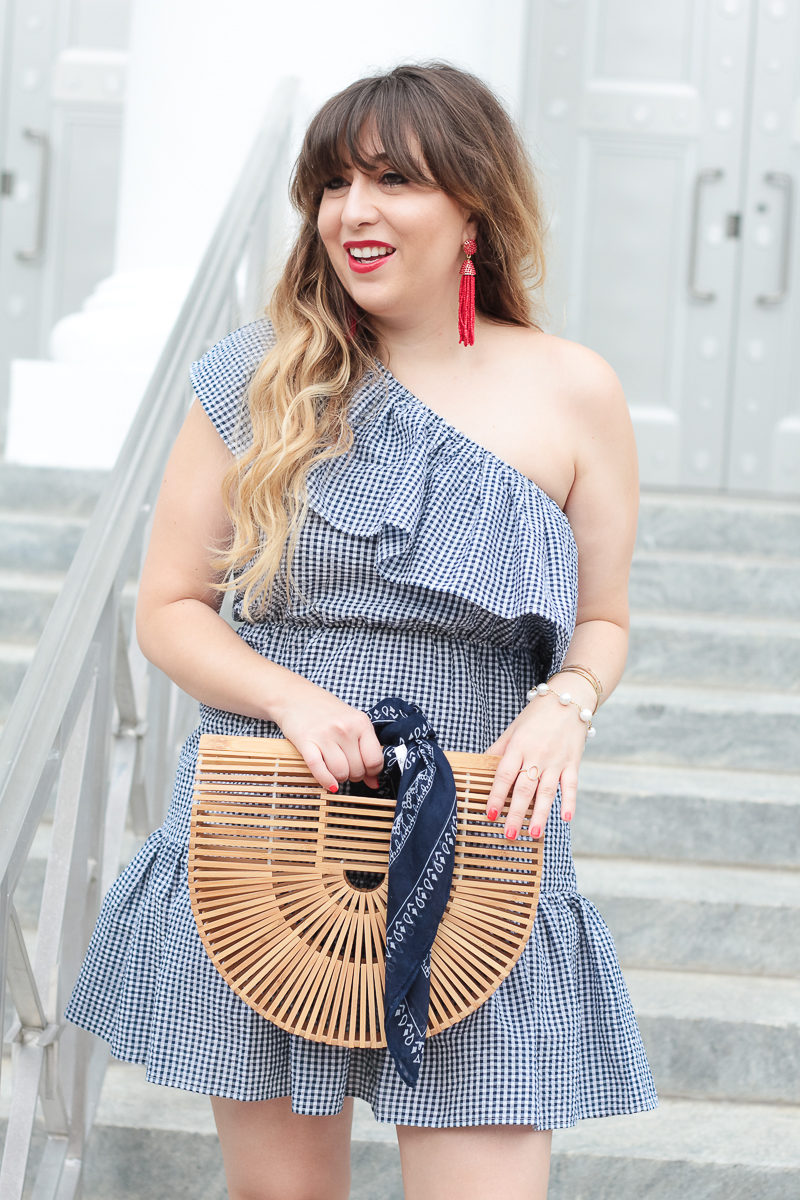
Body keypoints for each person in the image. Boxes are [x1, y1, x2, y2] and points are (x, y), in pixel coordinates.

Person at [65, 61, 657, 1200]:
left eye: (392, 178)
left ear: (471, 203)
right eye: (332, 182)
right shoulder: (257, 376)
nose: (352, 211)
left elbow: (602, 621)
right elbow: (168, 610)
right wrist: (289, 697)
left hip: (485, 825)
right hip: (278, 822)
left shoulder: (574, 389)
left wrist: (564, 705)